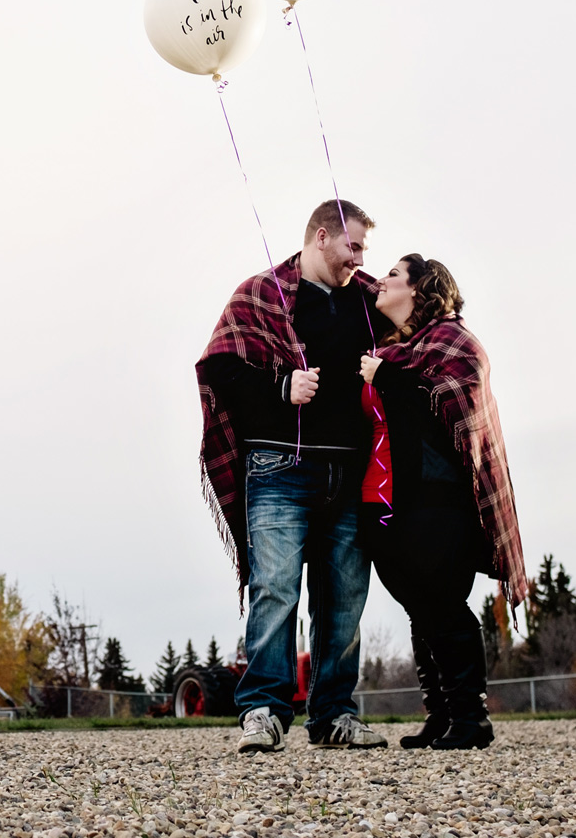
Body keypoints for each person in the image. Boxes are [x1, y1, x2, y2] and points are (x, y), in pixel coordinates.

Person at [197, 200, 392, 753]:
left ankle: (333, 714)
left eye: (364, 250)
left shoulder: (370, 301)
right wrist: (281, 386)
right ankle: (263, 710)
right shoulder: (260, 293)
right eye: (353, 246)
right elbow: (219, 369)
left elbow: (412, 336)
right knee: (275, 589)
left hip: (351, 471)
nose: (359, 259)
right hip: (280, 467)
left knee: (344, 597)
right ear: (322, 236)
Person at [359, 254, 529, 750]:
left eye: (393, 274)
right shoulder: (394, 349)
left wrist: (387, 378)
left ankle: (471, 718)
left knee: (443, 604)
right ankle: (442, 715)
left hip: (440, 500)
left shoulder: (454, 343)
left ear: (421, 289)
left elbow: (446, 408)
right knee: (420, 608)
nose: (383, 281)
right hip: (392, 498)